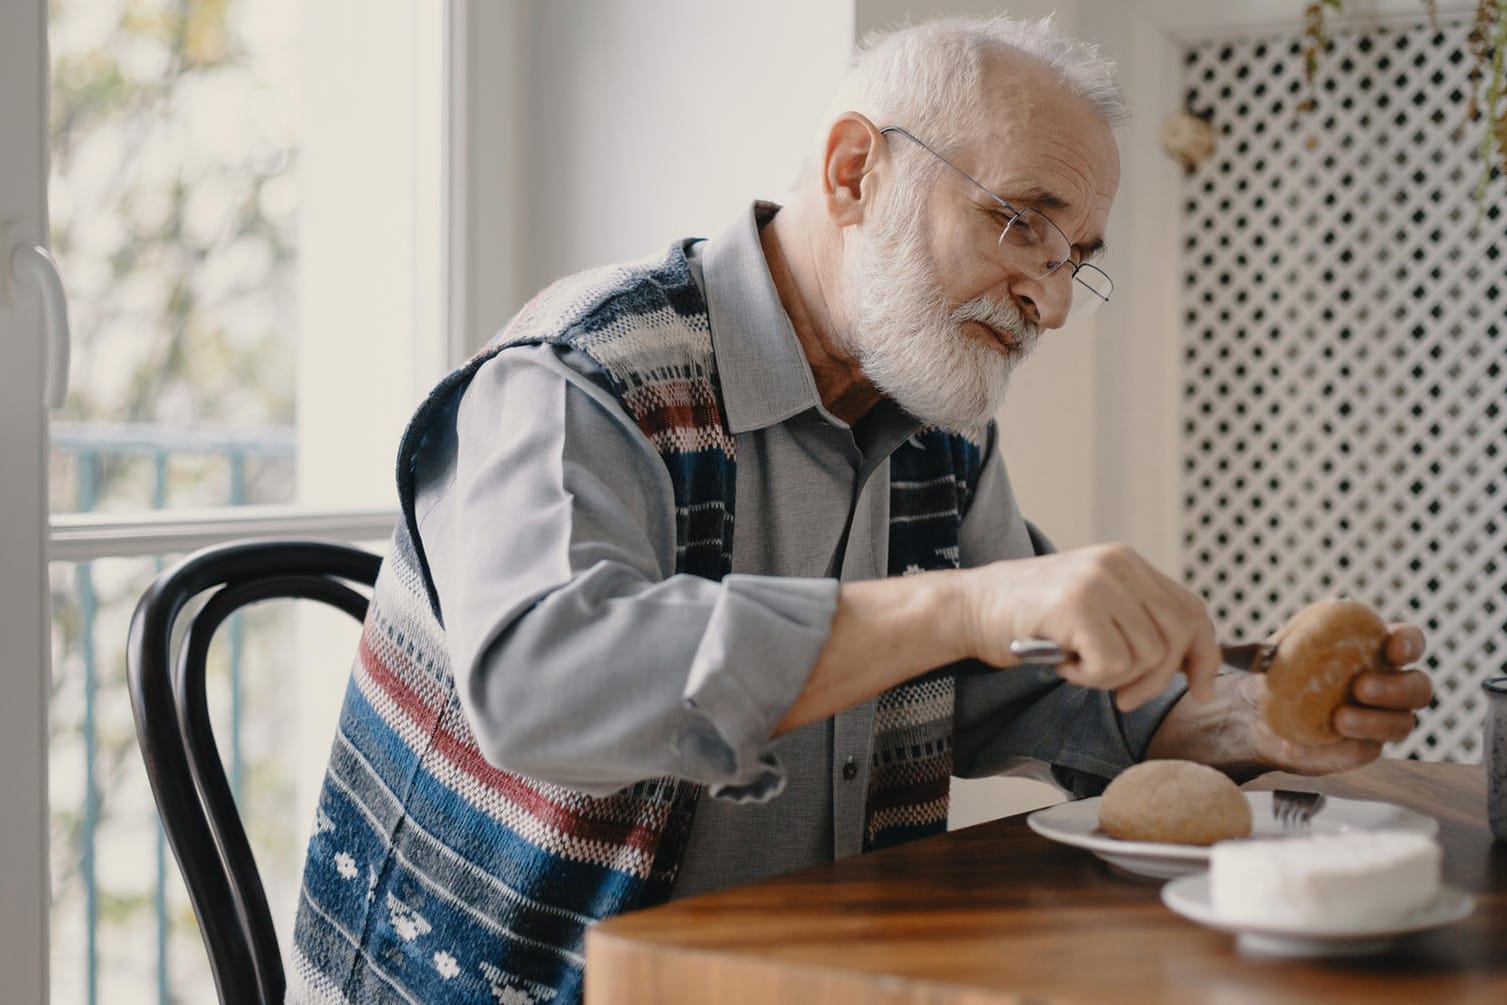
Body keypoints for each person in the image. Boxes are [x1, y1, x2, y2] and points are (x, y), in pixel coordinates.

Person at [288, 14, 1433, 1005]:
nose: (1048, 298)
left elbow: (1005, 684)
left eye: (1073, 255)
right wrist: (966, 602)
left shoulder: (937, 419)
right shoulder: (579, 374)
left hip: (803, 972)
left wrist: (1248, 724)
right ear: (852, 172)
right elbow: (543, 693)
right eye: (1020, 222)